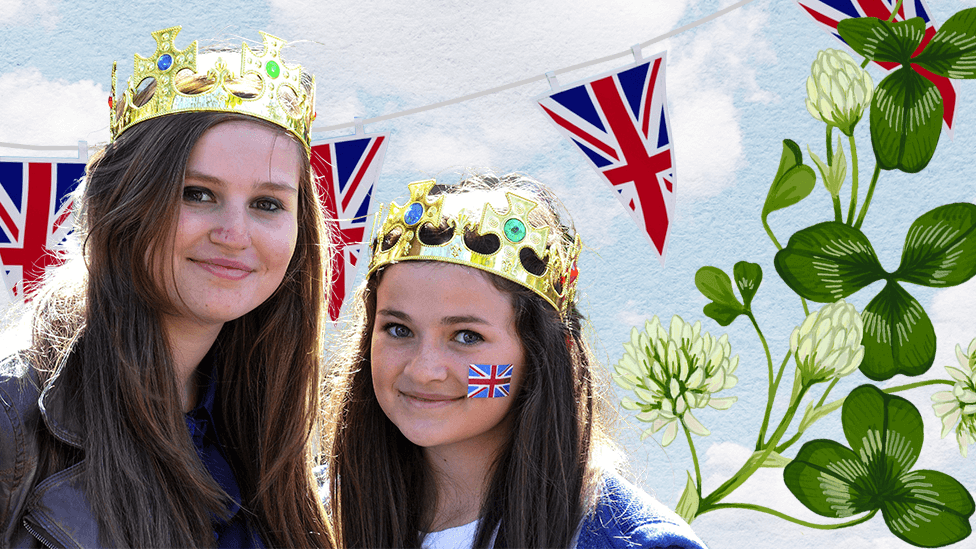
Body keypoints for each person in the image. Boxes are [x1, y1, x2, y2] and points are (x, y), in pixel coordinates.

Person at [0, 27, 333, 548]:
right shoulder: (11, 421)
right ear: (121, 205)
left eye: (268, 203)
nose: (234, 234)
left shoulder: (271, 427)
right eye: (197, 194)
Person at [322, 174, 707, 548]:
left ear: (546, 355)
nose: (423, 369)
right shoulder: (301, 517)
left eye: (467, 336)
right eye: (398, 329)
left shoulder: (633, 542)